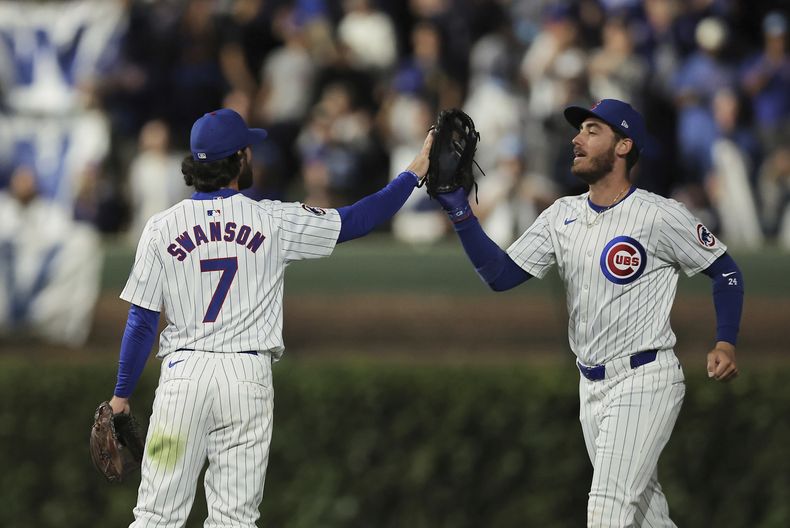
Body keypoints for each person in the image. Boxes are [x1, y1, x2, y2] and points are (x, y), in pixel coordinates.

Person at [105, 108, 432, 527]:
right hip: (246, 379)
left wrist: (121, 395)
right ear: (240, 158)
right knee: (234, 520)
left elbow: (142, 321)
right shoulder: (272, 220)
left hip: (181, 383)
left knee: (155, 516)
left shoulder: (160, 228)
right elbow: (357, 220)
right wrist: (414, 171)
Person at [430, 99, 744, 527]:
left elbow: (726, 272)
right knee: (647, 519)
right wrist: (459, 209)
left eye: (593, 130)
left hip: (644, 377)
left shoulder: (658, 215)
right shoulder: (563, 214)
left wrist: (725, 339)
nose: (577, 139)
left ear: (623, 145)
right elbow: (500, 275)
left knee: (607, 511)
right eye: (579, 131)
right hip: (591, 386)